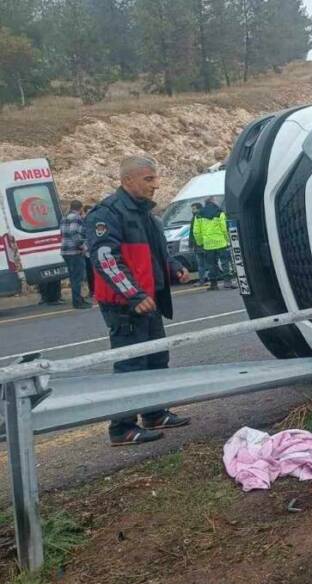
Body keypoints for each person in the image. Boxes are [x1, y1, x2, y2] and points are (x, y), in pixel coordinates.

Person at [86, 156, 191, 446]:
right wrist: (133, 294)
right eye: (148, 179)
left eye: (155, 179)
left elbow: (158, 253)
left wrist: (174, 266)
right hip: (126, 305)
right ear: (127, 180)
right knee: (130, 365)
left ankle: (154, 413)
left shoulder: (147, 215)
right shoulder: (107, 214)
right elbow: (106, 260)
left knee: (157, 359)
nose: (156, 185)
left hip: (150, 300)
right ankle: (121, 428)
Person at [193, 197, 234, 290]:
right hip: (221, 243)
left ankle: (213, 284)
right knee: (225, 262)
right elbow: (224, 228)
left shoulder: (198, 215)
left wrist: (200, 242)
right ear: (212, 202)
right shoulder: (220, 212)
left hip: (208, 244)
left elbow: (196, 231)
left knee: (211, 265)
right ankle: (227, 282)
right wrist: (227, 240)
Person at [60, 200, 92, 309]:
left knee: (73, 276)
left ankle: (78, 298)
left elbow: (63, 233)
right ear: (81, 208)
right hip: (74, 251)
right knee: (78, 277)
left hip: (65, 250)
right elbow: (74, 232)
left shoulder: (64, 217)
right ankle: (77, 301)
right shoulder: (76, 218)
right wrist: (81, 245)